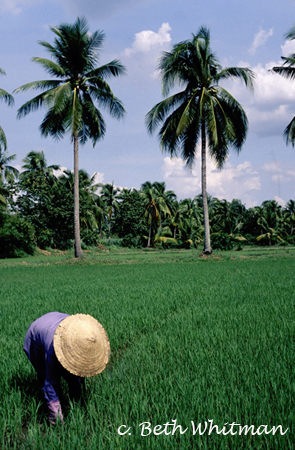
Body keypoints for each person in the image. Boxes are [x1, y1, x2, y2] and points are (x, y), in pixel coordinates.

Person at [23, 312, 110, 424]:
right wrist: (57, 421)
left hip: (53, 322)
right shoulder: (53, 349)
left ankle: (74, 402)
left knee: (74, 376)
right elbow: (51, 383)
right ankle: (55, 413)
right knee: (48, 377)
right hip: (35, 337)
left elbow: (80, 370)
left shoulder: (82, 331)